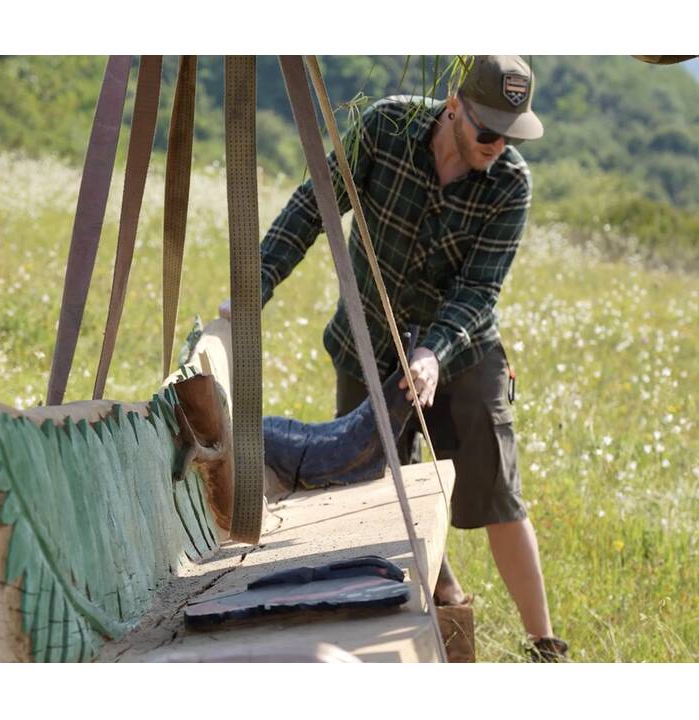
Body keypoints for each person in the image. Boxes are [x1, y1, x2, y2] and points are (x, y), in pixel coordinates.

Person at [223, 56, 568, 661]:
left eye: (510, 134)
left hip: (461, 354)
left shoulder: (511, 185)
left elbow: (478, 292)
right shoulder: (384, 129)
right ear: (455, 107)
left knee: (496, 496)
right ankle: (446, 626)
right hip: (368, 346)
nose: (498, 145)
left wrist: (433, 354)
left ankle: (544, 646)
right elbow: (314, 206)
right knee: (377, 499)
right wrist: (256, 287)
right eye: (488, 130)